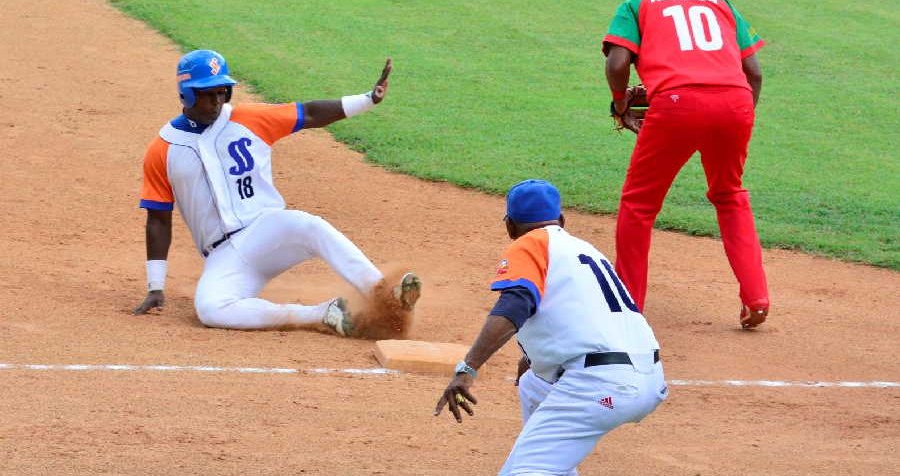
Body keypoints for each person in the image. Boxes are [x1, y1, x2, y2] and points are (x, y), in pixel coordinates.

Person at [133, 49, 421, 337]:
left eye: (223, 92)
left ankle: (383, 293)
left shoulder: (249, 118)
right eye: (209, 93)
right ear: (187, 94)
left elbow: (308, 114)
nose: (218, 101)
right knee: (210, 308)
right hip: (223, 255)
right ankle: (324, 314)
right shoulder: (164, 148)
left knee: (307, 224)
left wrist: (368, 99)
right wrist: (155, 286)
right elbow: (158, 218)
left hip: (266, 229)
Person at [434, 179, 667, 475]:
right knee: (533, 385)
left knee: (522, 472)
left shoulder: (529, 243)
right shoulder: (586, 250)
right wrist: (535, 357)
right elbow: (583, 313)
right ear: (561, 220)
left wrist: (467, 369)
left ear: (510, 226)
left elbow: (515, 304)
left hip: (600, 385)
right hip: (649, 379)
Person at [603, 0, 770, 329]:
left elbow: (616, 64)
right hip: (736, 103)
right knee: (730, 195)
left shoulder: (638, 1)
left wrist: (619, 104)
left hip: (677, 105)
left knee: (639, 205)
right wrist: (739, 115)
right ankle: (756, 297)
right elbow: (754, 73)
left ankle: (629, 307)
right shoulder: (719, 1)